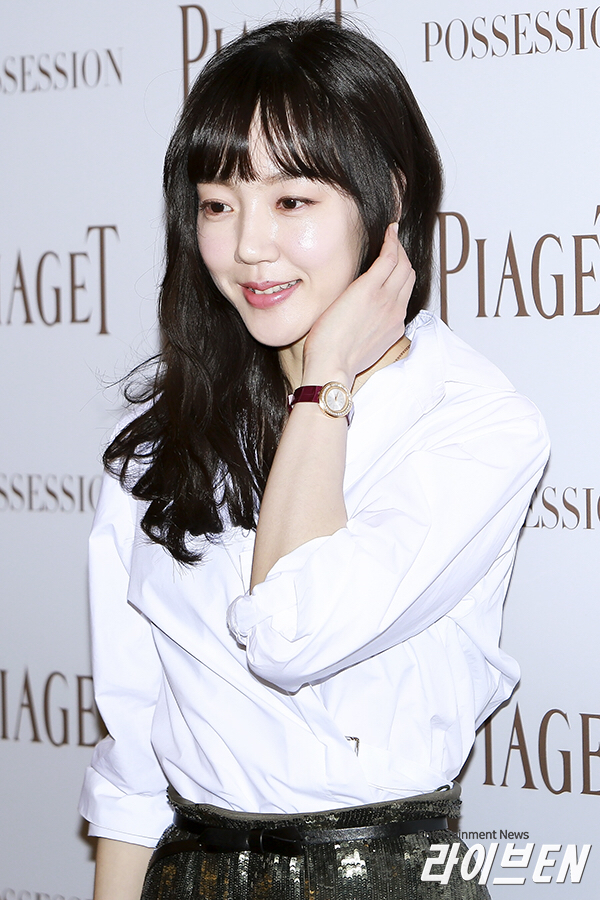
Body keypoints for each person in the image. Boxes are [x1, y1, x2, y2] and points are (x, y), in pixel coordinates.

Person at [79, 17, 550, 900]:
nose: (248, 245)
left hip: (383, 879)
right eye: (218, 204)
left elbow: (290, 633)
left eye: (291, 202)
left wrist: (324, 380)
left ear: (387, 198)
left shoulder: (475, 427)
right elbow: (135, 761)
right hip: (191, 874)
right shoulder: (160, 445)